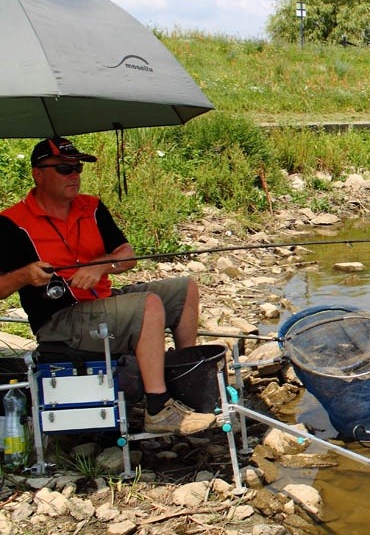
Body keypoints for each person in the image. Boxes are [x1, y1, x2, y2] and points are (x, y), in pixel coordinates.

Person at [0, 137, 216, 435]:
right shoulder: (11, 224)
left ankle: (184, 382)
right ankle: (158, 408)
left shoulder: (91, 207)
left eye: (77, 167)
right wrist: (25, 275)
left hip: (102, 302)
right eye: (64, 168)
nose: (74, 174)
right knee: (148, 305)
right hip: (60, 320)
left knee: (185, 288)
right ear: (38, 174)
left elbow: (127, 256)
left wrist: (100, 265)